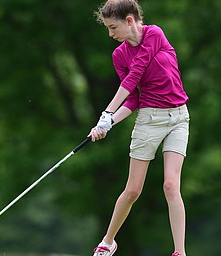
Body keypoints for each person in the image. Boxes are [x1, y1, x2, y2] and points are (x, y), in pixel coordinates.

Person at [89, 0, 190, 256]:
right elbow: (133, 98)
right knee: (133, 190)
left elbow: (136, 74)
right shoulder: (119, 55)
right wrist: (109, 123)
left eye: (113, 27)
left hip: (179, 118)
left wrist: (107, 111)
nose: (110, 34)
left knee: (171, 185)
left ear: (130, 21)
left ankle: (180, 252)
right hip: (149, 120)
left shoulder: (154, 34)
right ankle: (108, 242)